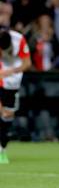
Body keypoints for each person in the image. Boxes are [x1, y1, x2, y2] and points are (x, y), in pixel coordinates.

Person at [0, 29, 31, 164]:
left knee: (7, 118)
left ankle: (2, 149)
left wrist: (12, 71)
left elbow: (27, 63)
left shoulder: (19, 39)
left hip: (13, 83)